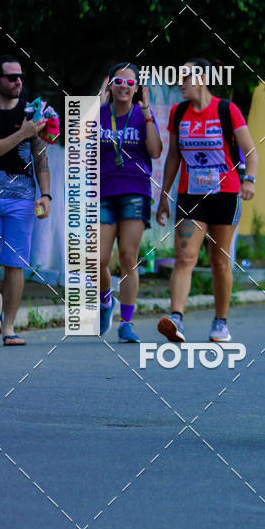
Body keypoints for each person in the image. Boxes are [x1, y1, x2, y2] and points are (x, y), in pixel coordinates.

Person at [156, 58, 257, 343]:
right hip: (191, 193)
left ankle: (220, 322)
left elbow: (250, 152)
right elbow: (173, 156)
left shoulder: (227, 109)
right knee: (184, 257)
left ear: (201, 78)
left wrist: (250, 180)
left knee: (219, 261)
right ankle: (176, 319)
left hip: (225, 194)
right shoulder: (178, 112)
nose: (181, 82)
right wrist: (164, 196)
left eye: (185, 76)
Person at [98, 62, 162, 342]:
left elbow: (156, 151)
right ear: (109, 85)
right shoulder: (98, 115)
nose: (124, 87)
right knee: (97, 260)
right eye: (118, 82)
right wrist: (96, 105)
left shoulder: (141, 115)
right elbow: (76, 144)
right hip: (102, 192)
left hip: (135, 191)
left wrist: (147, 112)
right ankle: (104, 301)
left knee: (127, 257)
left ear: (137, 88)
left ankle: (126, 322)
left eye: (129, 83)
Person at [0, 55, 51, 346]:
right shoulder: (21, 122)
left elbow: (40, 155)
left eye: (20, 77)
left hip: (23, 199)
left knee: (14, 265)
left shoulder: (30, 111)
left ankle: (9, 328)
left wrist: (46, 194)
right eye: (11, 77)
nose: (18, 81)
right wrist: (23, 133)